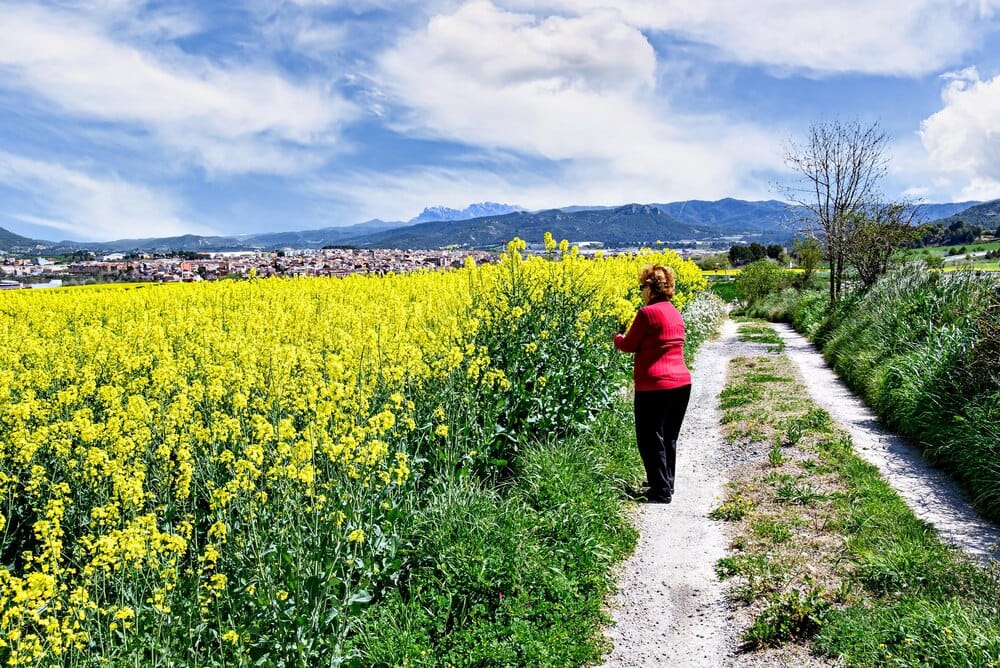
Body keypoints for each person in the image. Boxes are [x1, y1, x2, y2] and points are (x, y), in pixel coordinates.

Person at [613, 264, 692, 504]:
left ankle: (660, 491)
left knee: (649, 438)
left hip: (654, 385)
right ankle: (666, 483)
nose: (641, 292)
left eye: (642, 287)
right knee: (668, 437)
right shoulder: (675, 312)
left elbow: (628, 345)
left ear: (650, 288)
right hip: (681, 384)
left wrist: (617, 337)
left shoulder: (646, 313)